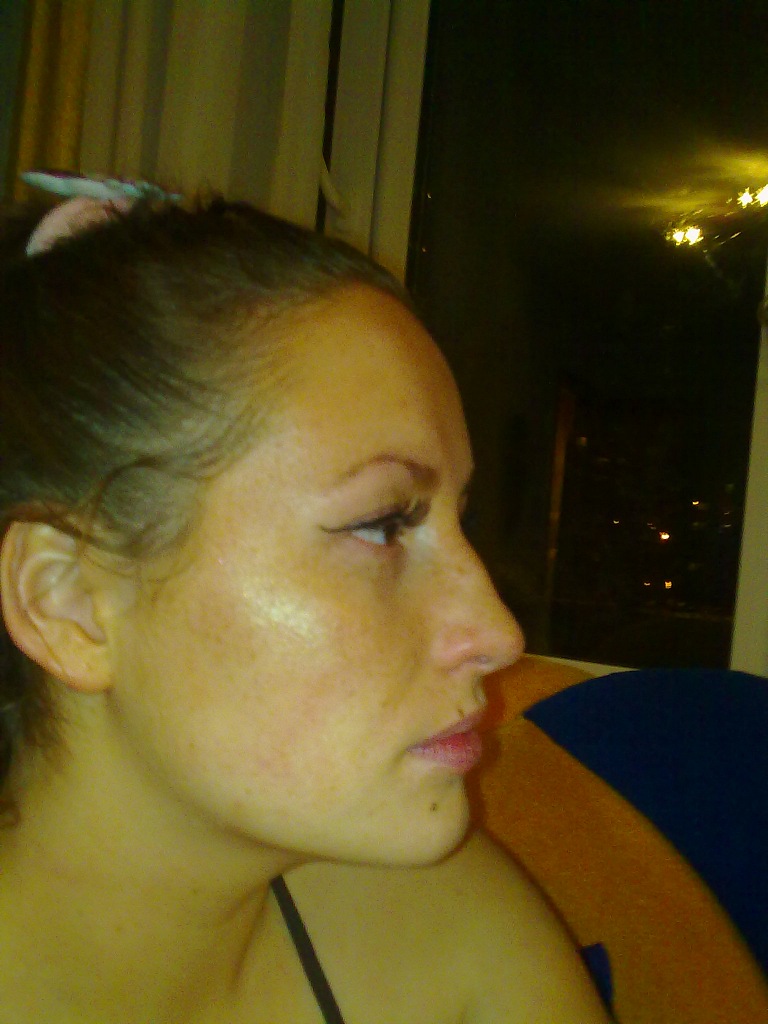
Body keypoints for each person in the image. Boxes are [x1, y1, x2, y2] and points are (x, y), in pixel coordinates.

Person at [0, 186, 609, 1023]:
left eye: (457, 521)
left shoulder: (441, 928)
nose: (498, 634)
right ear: (70, 601)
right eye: (382, 525)